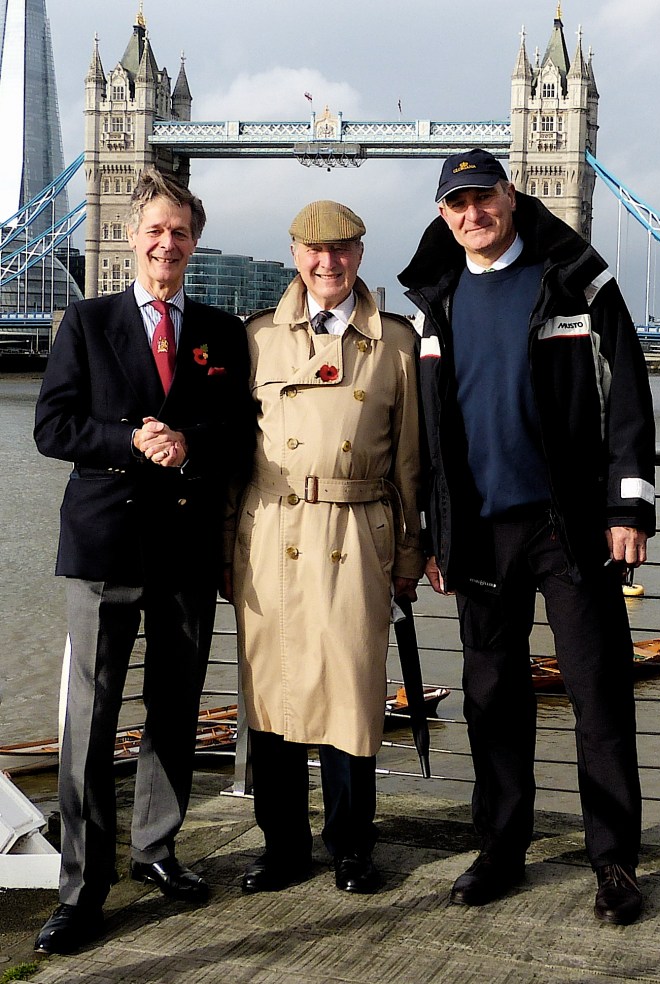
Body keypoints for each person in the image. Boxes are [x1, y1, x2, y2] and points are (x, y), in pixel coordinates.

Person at [398, 149, 656, 925]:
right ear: (442, 214)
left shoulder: (578, 281)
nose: (470, 214)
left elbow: (629, 400)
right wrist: (430, 534)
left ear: (509, 197)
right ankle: (500, 849)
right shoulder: (432, 301)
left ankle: (612, 861)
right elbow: (424, 435)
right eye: (455, 204)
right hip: (476, 534)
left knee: (598, 696)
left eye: (482, 197)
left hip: (568, 525)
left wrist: (628, 510)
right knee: (490, 697)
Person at [33, 167, 252, 954]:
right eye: (155, 231)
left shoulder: (224, 333)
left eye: (181, 233)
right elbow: (52, 429)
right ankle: (82, 888)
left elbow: (242, 433)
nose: (168, 244)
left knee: (174, 710)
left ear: (195, 242)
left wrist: (193, 441)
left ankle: (156, 849)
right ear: (132, 237)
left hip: (188, 548)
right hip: (104, 546)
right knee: (88, 723)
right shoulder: (86, 322)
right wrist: (131, 438)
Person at [224, 200, 424, 895]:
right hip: (272, 532)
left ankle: (350, 845)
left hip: (356, 532)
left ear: (359, 255)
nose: (327, 262)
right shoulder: (254, 340)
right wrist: (228, 550)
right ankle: (282, 845)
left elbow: (407, 464)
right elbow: (233, 459)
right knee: (273, 700)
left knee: (351, 695)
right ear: (295, 255)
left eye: (341, 249)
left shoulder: (395, 343)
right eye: (314, 251)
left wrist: (407, 558)